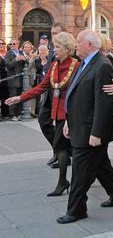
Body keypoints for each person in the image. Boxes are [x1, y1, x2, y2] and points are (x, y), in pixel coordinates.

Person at [56, 29, 113, 224]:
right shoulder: (84, 63)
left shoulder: (102, 65)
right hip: (80, 126)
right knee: (101, 166)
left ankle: (76, 210)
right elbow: (74, 95)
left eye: (78, 42)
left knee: (80, 173)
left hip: (92, 130)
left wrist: (96, 133)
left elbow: (103, 103)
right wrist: (68, 123)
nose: (75, 46)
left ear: (89, 45)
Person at [5, 31, 79, 197]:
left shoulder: (76, 65)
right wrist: (20, 98)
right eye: (54, 47)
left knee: (66, 147)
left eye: (58, 47)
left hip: (72, 113)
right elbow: (42, 87)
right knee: (62, 146)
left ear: (67, 49)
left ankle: (68, 181)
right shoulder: (53, 66)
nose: (54, 50)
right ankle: (64, 181)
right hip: (57, 113)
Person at [38, 22, 67, 169]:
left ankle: (62, 154)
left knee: (61, 127)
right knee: (43, 121)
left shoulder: (67, 51)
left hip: (61, 95)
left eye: (57, 33)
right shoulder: (51, 49)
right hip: (49, 93)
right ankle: (59, 151)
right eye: (52, 34)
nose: (54, 36)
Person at [5, 38, 26, 121]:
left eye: (14, 44)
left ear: (18, 44)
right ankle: (12, 115)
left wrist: (25, 59)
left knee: (20, 97)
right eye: (11, 44)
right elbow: (8, 65)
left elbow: (27, 64)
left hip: (22, 79)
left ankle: (19, 113)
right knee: (12, 97)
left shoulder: (21, 52)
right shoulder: (8, 54)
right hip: (13, 79)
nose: (13, 45)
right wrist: (15, 60)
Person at [0, 38, 9, 120]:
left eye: (3, 43)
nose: (1, 45)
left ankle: (5, 114)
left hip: (6, 79)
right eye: (0, 44)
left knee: (5, 97)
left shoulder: (7, 54)